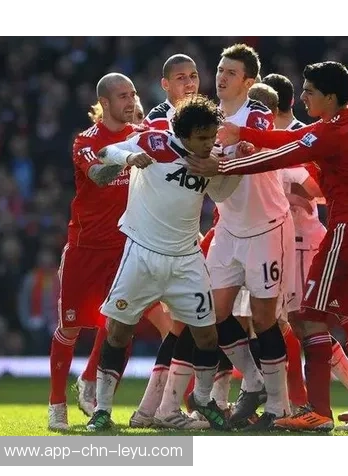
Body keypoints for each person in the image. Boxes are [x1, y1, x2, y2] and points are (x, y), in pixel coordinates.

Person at [189, 61, 348, 435]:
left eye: (310, 91)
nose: (304, 97)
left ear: (330, 96)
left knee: (309, 318)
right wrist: (243, 133)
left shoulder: (334, 131)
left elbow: (283, 154)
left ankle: (319, 412)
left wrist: (224, 167)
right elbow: (295, 139)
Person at [86, 95, 239, 431]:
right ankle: (102, 408)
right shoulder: (154, 142)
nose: (209, 143)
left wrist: (230, 167)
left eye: (212, 137)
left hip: (186, 260)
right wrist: (130, 157)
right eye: (202, 138)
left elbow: (222, 193)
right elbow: (106, 152)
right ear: (183, 135)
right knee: (118, 331)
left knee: (207, 336)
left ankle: (202, 399)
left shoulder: (209, 159)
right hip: (142, 254)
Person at [205, 43, 296, 430]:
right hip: (228, 227)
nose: (221, 77)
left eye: (231, 72)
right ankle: (255, 382)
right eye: (220, 70)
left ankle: (278, 406)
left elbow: (257, 142)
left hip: (266, 227)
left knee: (263, 318)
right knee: (211, 311)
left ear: (249, 81)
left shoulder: (256, 112)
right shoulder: (208, 116)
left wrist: (232, 149)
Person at [261, 74, 348, 413]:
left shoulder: (303, 137)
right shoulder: (281, 136)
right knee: (282, 323)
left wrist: (289, 196)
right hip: (276, 241)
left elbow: (320, 191)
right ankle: (290, 402)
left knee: (304, 322)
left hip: (302, 240)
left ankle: (347, 395)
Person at [48, 73, 143, 431]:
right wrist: (129, 158)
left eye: (133, 94)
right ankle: (57, 404)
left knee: (120, 322)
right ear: (105, 102)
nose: (130, 101)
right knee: (70, 327)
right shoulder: (86, 140)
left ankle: (91, 383)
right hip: (85, 248)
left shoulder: (141, 134)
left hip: (126, 247)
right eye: (123, 96)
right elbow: (100, 176)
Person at [129, 53, 206, 429]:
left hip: (187, 239)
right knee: (195, 324)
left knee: (182, 326)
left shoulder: (204, 118)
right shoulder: (158, 120)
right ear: (165, 84)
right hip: (160, 244)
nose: (189, 83)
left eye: (193, 76)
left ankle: (150, 409)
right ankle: (178, 407)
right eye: (181, 78)